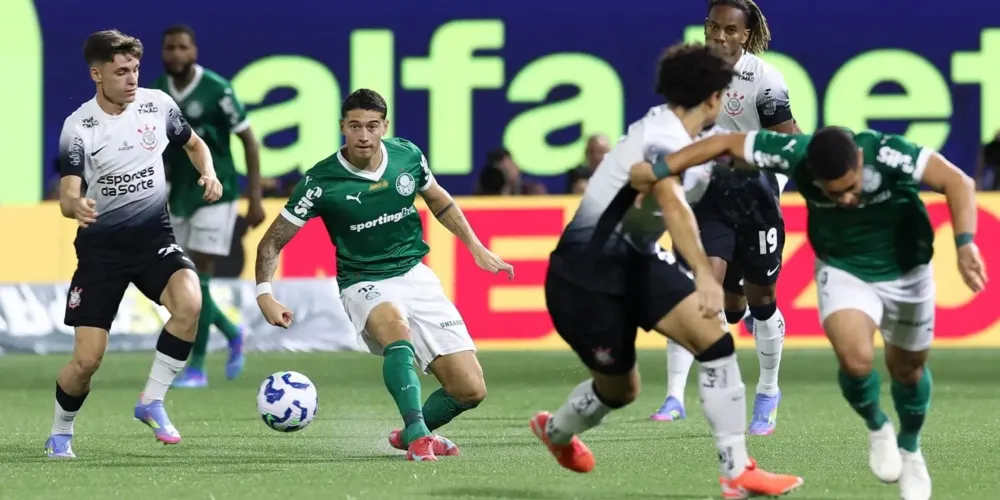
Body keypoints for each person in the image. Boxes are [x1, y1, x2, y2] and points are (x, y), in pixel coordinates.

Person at [633, 126, 986, 500]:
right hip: (844, 268)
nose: (847, 199)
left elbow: (957, 181)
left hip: (908, 271)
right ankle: (877, 425)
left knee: (908, 369)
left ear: (860, 161)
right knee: (856, 360)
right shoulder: (793, 153)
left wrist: (965, 244)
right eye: (834, 193)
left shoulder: (889, 153)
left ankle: (911, 448)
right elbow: (725, 142)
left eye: (852, 187)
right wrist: (660, 170)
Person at [531, 42, 803, 498]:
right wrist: (701, 270)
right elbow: (673, 204)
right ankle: (556, 431)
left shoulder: (687, 135)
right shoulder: (663, 138)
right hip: (585, 276)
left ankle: (736, 472)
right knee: (620, 391)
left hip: (636, 260)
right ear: (715, 97)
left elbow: (727, 152)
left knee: (715, 341)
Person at [254, 89, 514, 462]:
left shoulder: (407, 155)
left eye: (372, 126)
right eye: (355, 126)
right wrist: (265, 293)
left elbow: (439, 199)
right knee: (395, 327)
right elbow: (271, 242)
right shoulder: (321, 181)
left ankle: (408, 432)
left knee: (469, 389)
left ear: (384, 127)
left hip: (414, 274)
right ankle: (421, 436)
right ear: (342, 127)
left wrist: (476, 247)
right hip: (363, 281)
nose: (363, 135)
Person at [46, 30, 223, 458]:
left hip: (153, 239)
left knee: (189, 303)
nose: (131, 79)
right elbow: (68, 193)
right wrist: (76, 206)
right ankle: (60, 431)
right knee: (87, 362)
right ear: (97, 73)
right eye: (121, 71)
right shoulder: (80, 126)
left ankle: (151, 401)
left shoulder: (157, 105)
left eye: (135, 70)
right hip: (101, 252)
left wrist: (209, 173)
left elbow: (195, 145)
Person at [652, 0, 798, 436]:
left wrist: (749, 161)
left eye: (729, 30)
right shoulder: (692, 74)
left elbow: (788, 143)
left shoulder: (766, 81)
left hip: (758, 200)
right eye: (713, 28)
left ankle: (768, 392)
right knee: (695, 290)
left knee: (752, 305)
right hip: (709, 196)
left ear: (746, 36)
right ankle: (675, 395)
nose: (719, 37)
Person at [151, 24, 265, 387]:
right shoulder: (156, 92)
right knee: (181, 280)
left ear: (194, 51)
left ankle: (197, 365)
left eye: (182, 47)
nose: (175, 54)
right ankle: (232, 332)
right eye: (169, 47)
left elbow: (248, 140)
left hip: (217, 191)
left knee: (197, 279)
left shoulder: (218, 89)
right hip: (177, 196)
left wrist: (256, 195)